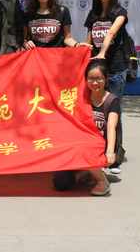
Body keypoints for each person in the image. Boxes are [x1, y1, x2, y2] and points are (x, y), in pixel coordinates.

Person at [52, 60, 119, 197]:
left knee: (85, 149)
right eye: (91, 79)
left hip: (102, 146)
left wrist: (110, 152)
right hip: (81, 144)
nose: (94, 83)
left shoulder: (112, 100)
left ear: (106, 79)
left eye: (99, 79)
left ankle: (102, 181)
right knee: (60, 182)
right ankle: (86, 172)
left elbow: (111, 127)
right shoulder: (80, 98)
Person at [84, 0, 128, 174]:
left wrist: (102, 52)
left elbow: (111, 32)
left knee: (113, 112)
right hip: (97, 71)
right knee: (96, 112)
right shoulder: (93, 14)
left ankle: (115, 156)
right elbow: (89, 41)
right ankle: (96, 151)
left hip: (115, 68)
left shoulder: (120, 12)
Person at [22, 0, 90, 50]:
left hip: (57, 55)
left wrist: (77, 45)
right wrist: (26, 43)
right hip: (36, 56)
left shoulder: (63, 11)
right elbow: (24, 39)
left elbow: (67, 38)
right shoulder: (27, 14)